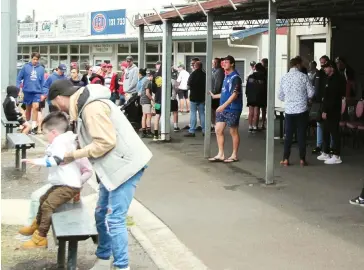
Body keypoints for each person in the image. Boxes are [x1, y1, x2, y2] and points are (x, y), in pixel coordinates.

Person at [48, 79, 152, 270]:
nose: (58, 109)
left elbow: (105, 143)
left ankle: (122, 266)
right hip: (113, 166)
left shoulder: (91, 108)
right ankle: (104, 258)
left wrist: (71, 156)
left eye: (55, 104)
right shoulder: (84, 106)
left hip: (125, 166)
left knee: (114, 218)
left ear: (60, 98)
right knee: (101, 212)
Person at [18, 112, 93, 248]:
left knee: (48, 205)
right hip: (62, 184)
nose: (45, 137)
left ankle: (40, 237)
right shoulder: (65, 141)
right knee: (42, 199)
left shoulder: (61, 141)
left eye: (45, 133)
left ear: (53, 132)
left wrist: (37, 161)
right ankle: (35, 225)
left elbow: (56, 160)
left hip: (68, 186)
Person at [278, 57, 314, 166]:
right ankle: (302, 159)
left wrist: (289, 99)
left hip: (289, 111)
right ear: (298, 65)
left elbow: (280, 95)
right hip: (302, 110)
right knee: (301, 135)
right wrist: (304, 98)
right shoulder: (304, 77)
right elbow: (311, 93)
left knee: (288, 135)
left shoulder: (284, 77)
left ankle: (285, 159)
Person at [209, 55, 243, 163]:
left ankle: (234, 155)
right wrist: (215, 96)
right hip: (222, 108)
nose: (224, 64)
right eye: (223, 62)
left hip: (232, 108)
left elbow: (234, 95)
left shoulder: (235, 77)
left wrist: (223, 106)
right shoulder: (226, 77)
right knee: (218, 130)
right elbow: (225, 93)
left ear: (232, 63)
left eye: (226, 62)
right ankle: (221, 154)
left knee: (233, 131)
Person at [317, 60, 345, 165]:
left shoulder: (336, 80)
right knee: (326, 131)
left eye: (326, 67)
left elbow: (332, 98)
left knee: (334, 133)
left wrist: (325, 111)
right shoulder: (328, 79)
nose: (324, 69)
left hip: (333, 111)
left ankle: (336, 155)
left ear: (332, 68)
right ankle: (326, 152)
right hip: (327, 109)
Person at [16, 52, 45, 133]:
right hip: (27, 91)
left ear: (38, 60)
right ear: (31, 58)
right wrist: (18, 89)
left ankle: (33, 126)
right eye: (34, 59)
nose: (35, 61)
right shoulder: (25, 67)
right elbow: (19, 79)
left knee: (36, 107)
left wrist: (44, 93)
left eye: (37, 59)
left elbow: (43, 82)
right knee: (28, 109)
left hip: (37, 92)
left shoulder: (41, 69)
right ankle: (27, 124)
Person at [312, 55, 331, 154]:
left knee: (329, 125)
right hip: (319, 102)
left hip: (327, 102)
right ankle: (319, 145)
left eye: (323, 63)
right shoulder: (318, 73)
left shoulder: (330, 75)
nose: (322, 65)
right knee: (319, 124)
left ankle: (330, 146)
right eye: (321, 63)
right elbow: (314, 86)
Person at [184, 61, 206, 137]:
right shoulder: (204, 75)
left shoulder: (192, 75)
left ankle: (192, 131)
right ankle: (204, 130)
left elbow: (188, 87)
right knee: (202, 114)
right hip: (202, 97)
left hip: (193, 97)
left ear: (196, 66)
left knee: (193, 113)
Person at [246, 63, 267, 133]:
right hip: (259, 96)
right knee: (256, 112)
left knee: (250, 112)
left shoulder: (250, 76)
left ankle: (250, 126)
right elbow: (264, 88)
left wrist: (247, 94)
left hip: (250, 96)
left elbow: (247, 86)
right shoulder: (263, 77)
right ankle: (255, 126)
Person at [211, 58, 225, 132]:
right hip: (214, 94)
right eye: (213, 62)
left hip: (216, 95)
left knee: (216, 111)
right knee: (213, 110)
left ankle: (216, 125)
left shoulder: (219, 72)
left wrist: (214, 93)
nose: (214, 64)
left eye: (215, 63)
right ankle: (214, 125)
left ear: (219, 63)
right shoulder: (214, 71)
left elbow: (218, 84)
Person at [140, 70, 154, 138]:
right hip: (146, 101)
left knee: (144, 116)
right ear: (151, 76)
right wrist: (152, 99)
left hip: (143, 100)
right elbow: (147, 93)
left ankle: (144, 131)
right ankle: (148, 131)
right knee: (148, 116)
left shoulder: (145, 81)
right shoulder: (148, 82)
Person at [152, 65, 163, 140]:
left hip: (157, 100)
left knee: (157, 115)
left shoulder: (155, 76)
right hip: (165, 101)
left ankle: (155, 134)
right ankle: (163, 133)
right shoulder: (167, 76)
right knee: (165, 116)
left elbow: (153, 89)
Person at [260, 58, 268, 130]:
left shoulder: (263, 71)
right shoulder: (267, 71)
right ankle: (263, 123)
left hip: (263, 91)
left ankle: (263, 123)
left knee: (263, 108)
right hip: (265, 91)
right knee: (263, 108)